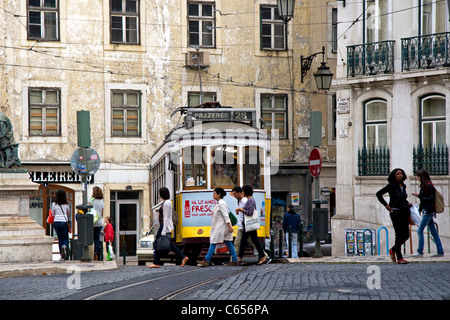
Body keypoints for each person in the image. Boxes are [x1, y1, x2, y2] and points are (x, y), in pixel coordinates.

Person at [376, 168, 412, 264]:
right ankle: (400, 258)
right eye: (398, 174)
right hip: (395, 212)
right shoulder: (391, 186)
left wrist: (408, 203)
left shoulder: (403, 186)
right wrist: (386, 205)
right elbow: (378, 194)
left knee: (406, 235)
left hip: (404, 212)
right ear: (394, 176)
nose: (400, 175)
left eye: (401, 173)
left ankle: (393, 249)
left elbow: (402, 198)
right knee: (399, 234)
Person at [147, 187, 189, 268]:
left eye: (159, 193)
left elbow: (166, 217)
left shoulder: (166, 203)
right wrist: (158, 210)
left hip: (164, 226)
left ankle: (156, 262)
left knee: (157, 243)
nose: (159, 195)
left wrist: (163, 230)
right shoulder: (167, 202)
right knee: (168, 244)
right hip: (165, 226)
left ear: (162, 194)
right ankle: (183, 257)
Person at [198, 187, 239, 267]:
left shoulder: (221, 204)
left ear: (218, 194)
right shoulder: (220, 203)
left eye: (214, 193)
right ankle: (235, 260)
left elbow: (226, 216)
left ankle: (207, 260)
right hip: (222, 227)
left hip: (220, 227)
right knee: (229, 243)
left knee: (213, 242)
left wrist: (230, 227)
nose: (213, 195)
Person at [412, 169, 444, 258]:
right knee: (433, 231)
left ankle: (420, 251)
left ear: (421, 177)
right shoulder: (424, 186)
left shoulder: (428, 186)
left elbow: (430, 199)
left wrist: (420, 196)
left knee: (420, 230)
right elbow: (423, 201)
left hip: (429, 211)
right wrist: (419, 210)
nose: (417, 178)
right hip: (426, 211)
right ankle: (440, 251)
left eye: (418, 176)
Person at [231, 186, 269, 261]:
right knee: (243, 242)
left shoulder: (249, 200)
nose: (242, 192)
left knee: (252, 242)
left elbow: (250, 212)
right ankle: (237, 259)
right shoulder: (246, 200)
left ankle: (264, 257)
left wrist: (241, 210)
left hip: (248, 224)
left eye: (243, 191)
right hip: (245, 225)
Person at [52, 189, 71, 261]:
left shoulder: (54, 204)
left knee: (60, 238)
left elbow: (53, 213)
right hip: (63, 221)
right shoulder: (67, 204)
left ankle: (61, 255)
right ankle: (64, 246)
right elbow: (68, 213)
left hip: (56, 221)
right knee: (65, 238)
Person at [91, 186, 104, 261]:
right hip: (99, 222)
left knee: (90, 238)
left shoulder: (92, 201)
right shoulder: (102, 202)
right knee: (97, 238)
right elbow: (102, 213)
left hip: (92, 221)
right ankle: (96, 253)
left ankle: (92, 252)